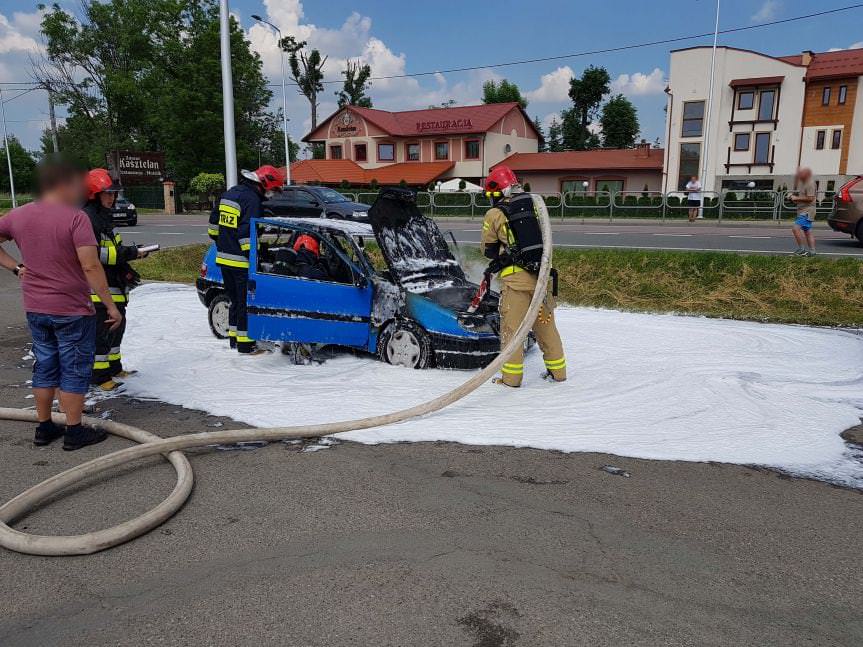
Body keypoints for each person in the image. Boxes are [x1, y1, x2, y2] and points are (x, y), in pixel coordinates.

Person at [0, 159, 122, 450]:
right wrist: (111, 305)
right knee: (74, 369)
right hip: (71, 309)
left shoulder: (19, 215)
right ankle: (74, 431)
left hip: (36, 308)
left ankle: (43, 428)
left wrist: (15, 267)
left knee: (45, 366)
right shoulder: (75, 218)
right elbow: (91, 267)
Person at [481, 165, 566, 387]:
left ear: (496, 192)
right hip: (540, 278)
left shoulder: (494, 213)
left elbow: (488, 250)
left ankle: (511, 379)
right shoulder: (535, 206)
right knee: (546, 328)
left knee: (512, 331)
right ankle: (558, 374)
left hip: (515, 282)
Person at [208, 165, 285, 353]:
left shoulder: (230, 194)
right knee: (245, 303)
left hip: (223, 258)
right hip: (240, 262)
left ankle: (234, 339)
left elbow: (212, 228)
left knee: (234, 301)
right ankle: (245, 345)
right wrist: (256, 256)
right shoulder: (252, 200)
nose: (272, 194)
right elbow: (246, 234)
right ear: (264, 183)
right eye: (273, 190)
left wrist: (225, 243)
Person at [83, 169, 147, 391]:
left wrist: (128, 254)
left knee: (117, 329)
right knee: (102, 331)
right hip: (98, 287)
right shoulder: (88, 218)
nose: (112, 198)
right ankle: (100, 377)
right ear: (94, 194)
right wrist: (131, 253)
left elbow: (113, 248)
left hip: (114, 282)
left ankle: (114, 367)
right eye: (107, 193)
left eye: (113, 194)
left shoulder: (103, 216)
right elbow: (97, 255)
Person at [790, 167, 818, 256]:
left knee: (795, 228)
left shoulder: (810, 184)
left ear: (806, 175)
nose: (798, 175)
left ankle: (801, 249)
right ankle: (812, 251)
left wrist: (796, 198)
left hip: (807, 211)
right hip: (804, 210)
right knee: (807, 231)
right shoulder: (804, 183)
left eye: (800, 173)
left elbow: (810, 198)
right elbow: (804, 198)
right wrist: (794, 199)